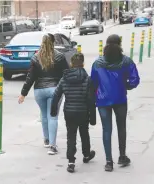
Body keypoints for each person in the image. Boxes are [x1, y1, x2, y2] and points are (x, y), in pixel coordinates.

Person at [90, 34, 140, 172]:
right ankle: (122, 156)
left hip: (103, 100)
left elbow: (93, 83)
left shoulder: (98, 63)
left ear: (106, 44)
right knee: (121, 127)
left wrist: (94, 97)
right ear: (120, 44)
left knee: (107, 129)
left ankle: (108, 161)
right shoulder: (125, 61)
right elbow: (135, 79)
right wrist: (126, 85)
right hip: (120, 99)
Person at [18, 33, 69, 155]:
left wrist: (23, 94)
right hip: (54, 90)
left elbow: (30, 77)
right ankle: (52, 146)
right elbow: (66, 74)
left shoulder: (36, 57)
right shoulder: (59, 57)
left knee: (44, 115)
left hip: (39, 91)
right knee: (53, 116)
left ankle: (46, 140)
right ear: (53, 42)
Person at [51, 53, 96, 173]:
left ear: (71, 64)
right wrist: (93, 117)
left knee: (71, 136)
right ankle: (86, 155)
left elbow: (56, 94)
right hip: (83, 111)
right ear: (83, 63)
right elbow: (91, 100)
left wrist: (53, 109)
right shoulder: (87, 79)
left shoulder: (64, 78)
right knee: (84, 133)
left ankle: (71, 162)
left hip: (69, 111)